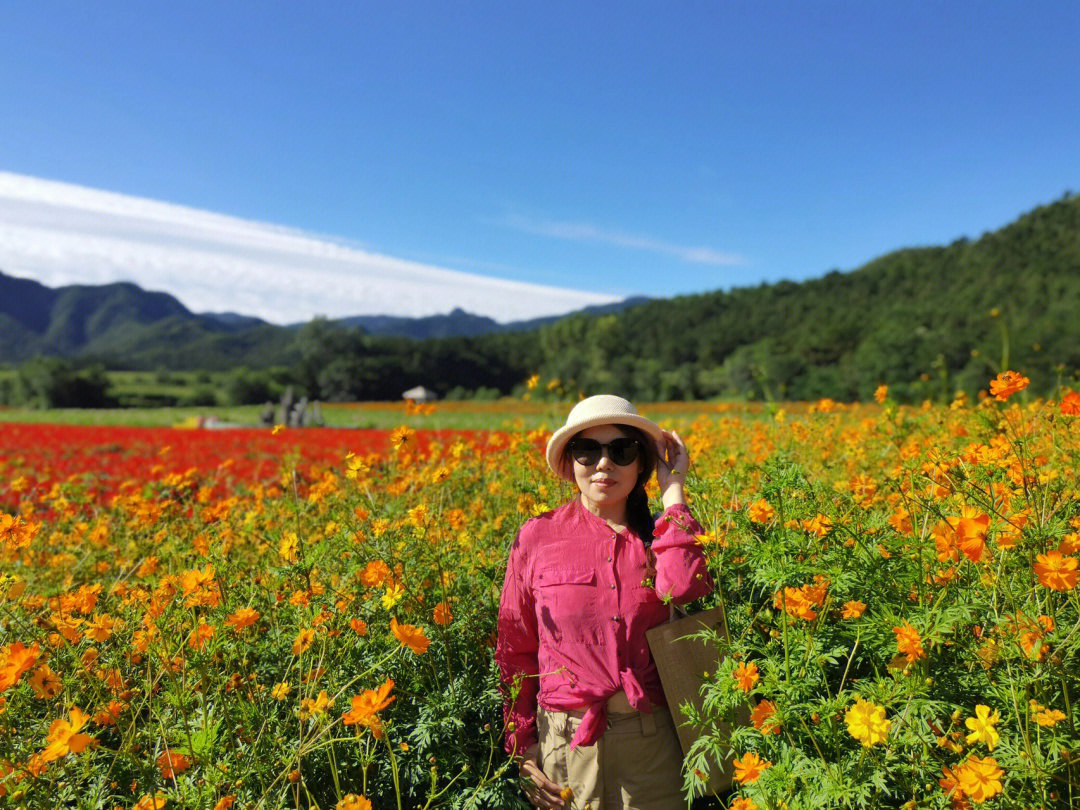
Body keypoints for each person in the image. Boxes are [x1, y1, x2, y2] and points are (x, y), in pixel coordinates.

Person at [496, 395, 713, 810]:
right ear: (568, 463)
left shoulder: (661, 536)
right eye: (587, 450)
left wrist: (673, 493)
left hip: (652, 746)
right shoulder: (536, 537)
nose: (603, 463)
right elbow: (515, 652)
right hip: (563, 745)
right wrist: (522, 747)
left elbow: (684, 587)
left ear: (641, 463)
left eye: (622, 450)